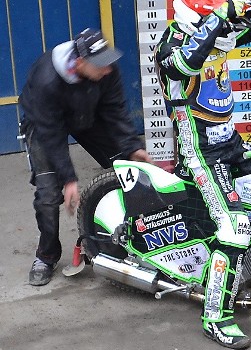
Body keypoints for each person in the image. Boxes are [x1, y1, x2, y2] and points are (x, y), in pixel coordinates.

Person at [154, 0, 251, 350]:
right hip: (201, 154)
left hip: (232, 143)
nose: (223, 31)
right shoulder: (170, 49)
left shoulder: (215, 36)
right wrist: (221, 16)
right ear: (194, 19)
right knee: (235, 227)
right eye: (212, 21)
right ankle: (216, 316)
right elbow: (188, 63)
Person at [19, 28, 152, 287]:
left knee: (129, 170)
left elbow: (115, 109)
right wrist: (68, 179)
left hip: (87, 116)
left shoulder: (106, 70)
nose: (108, 70)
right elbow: (53, 134)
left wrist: (131, 147)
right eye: (100, 65)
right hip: (44, 125)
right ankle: (46, 256)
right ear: (79, 63)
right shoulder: (47, 81)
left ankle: (139, 239)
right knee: (48, 195)